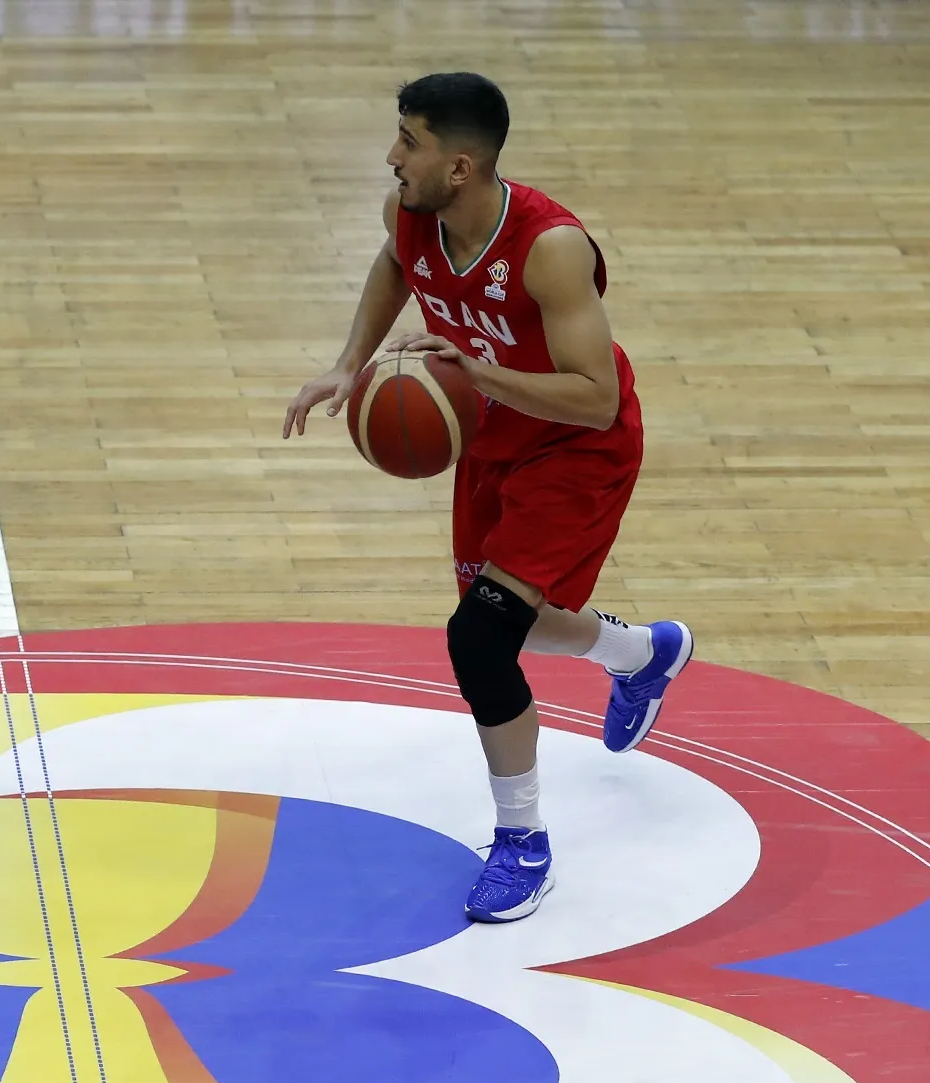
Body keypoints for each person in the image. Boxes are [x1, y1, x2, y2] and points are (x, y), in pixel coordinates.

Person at [283, 71, 691, 924]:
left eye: (410, 142)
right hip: (494, 442)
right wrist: (350, 364)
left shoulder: (550, 248)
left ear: (460, 166)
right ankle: (641, 654)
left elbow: (597, 398)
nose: (393, 157)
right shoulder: (412, 213)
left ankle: (524, 844)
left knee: (479, 638)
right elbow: (394, 264)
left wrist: (478, 372)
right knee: (517, 623)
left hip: (576, 448)